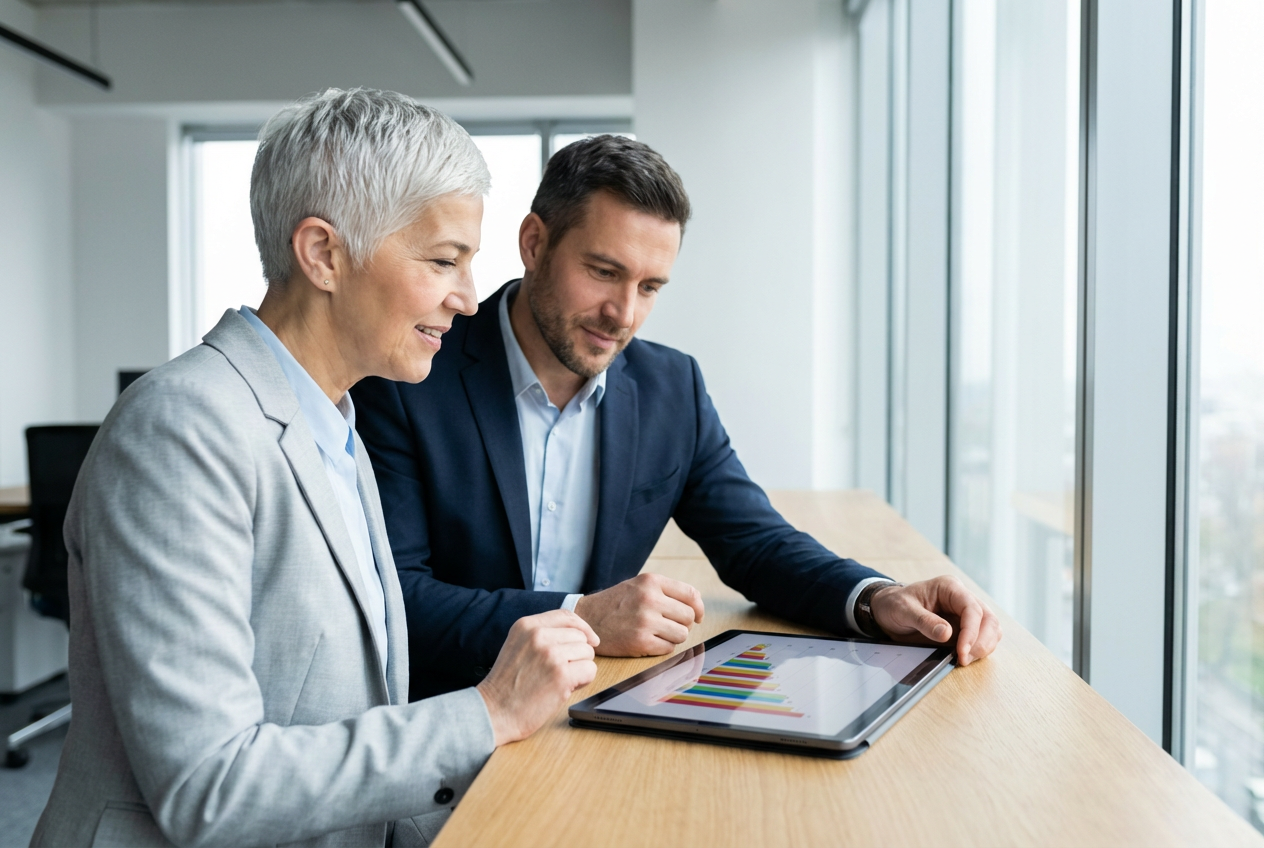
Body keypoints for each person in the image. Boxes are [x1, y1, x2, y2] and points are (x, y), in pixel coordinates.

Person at [32, 89, 599, 848]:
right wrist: (487, 713)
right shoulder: (181, 427)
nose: (467, 299)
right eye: (442, 262)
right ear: (324, 254)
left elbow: (342, 718)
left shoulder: (336, 424)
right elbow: (211, 785)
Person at [352, 135, 1002, 702]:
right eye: (603, 272)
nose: (625, 314)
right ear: (534, 243)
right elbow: (398, 599)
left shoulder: (670, 387)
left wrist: (874, 598)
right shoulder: (411, 375)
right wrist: (581, 616)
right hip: (459, 719)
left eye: (650, 287)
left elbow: (755, 542)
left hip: (595, 711)